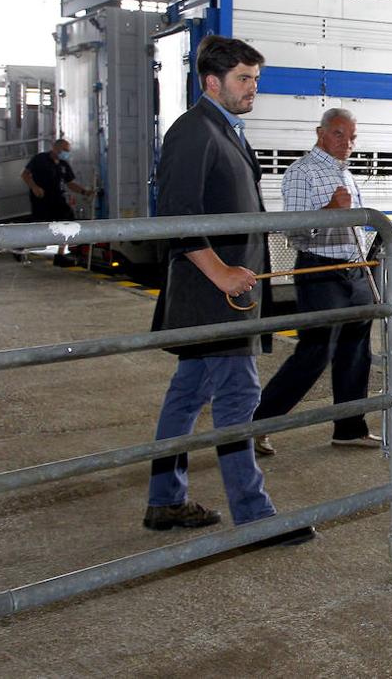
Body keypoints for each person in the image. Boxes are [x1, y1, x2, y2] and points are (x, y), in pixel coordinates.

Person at [145, 34, 315, 547]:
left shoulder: (224, 129)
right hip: (213, 295)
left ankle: (165, 499)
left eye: (255, 79)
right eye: (244, 79)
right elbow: (177, 215)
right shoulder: (194, 132)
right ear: (211, 81)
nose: (252, 88)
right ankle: (254, 516)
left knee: (187, 396)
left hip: (223, 295)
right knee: (238, 398)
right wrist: (220, 271)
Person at [252, 108, 380, 455]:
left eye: (352, 137)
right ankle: (258, 424)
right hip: (319, 271)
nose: (347, 144)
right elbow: (294, 230)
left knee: (356, 351)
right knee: (314, 352)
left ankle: (350, 427)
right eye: (339, 135)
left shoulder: (347, 174)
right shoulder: (301, 172)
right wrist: (329, 210)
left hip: (354, 270)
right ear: (320, 133)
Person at [21, 138, 93, 265]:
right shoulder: (40, 159)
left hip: (57, 198)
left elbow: (70, 183)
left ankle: (60, 254)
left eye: (67, 151)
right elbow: (25, 175)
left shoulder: (63, 165)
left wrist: (84, 191)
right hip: (41, 198)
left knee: (67, 221)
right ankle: (23, 249)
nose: (66, 153)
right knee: (39, 225)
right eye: (64, 150)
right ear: (55, 148)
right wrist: (34, 187)